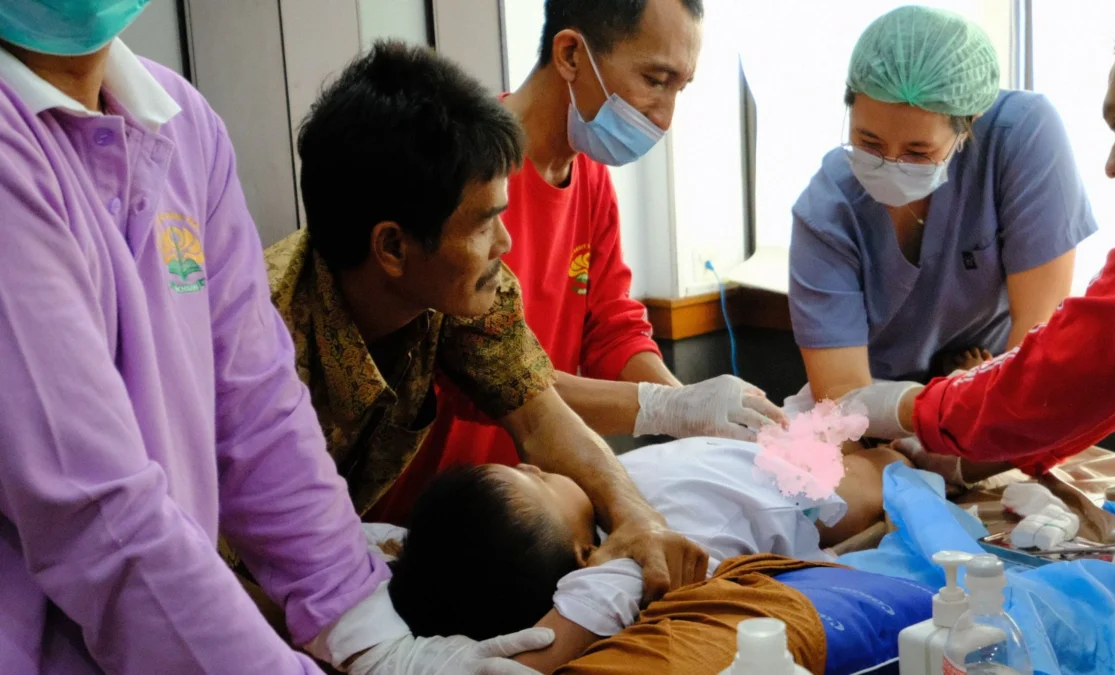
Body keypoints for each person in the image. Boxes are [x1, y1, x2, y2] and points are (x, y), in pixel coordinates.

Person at [0, 4, 553, 674]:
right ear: (391, 245)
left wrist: (375, 641)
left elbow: (258, 412)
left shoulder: (179, 123)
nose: (506, 242)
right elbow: (94, 508)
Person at [265, 41, 706, 604]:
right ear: (393, 247)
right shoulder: (257, 352)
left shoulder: (466, 290)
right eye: (485, 224)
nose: (507, 242)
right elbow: (212, 571)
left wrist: (636, 516)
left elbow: (541, 416)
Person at [376, 0, 786, 520]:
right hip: (436, 515)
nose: (664, 116)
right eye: (655, 80)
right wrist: (668, 408)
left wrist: (700, 412)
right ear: (570, 53)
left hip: (539, 508)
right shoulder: (465, 179)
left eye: (679, 88)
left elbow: (610, 331)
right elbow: (480, 377)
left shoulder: (589, 180)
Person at [841, 0, 1115, 479]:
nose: (1110, 165)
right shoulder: (827, 199)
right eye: (869, 144)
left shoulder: (1025, 131)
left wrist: (913, 408)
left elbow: (1072, 368)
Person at [790, 5, 1097, 420]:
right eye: (869, 141)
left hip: (996, 388)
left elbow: (1036, 339)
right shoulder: (827, 211)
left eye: (919, 152)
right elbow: (843, 395)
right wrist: (948, 402)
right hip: (875, 407)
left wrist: (977, 397)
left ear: (968, 124)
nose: (891, 164)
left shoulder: (1020, 137)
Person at [386, 437, 910, 651]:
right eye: (541, 480)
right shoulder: (638, 566)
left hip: (764, 453)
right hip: (795, 485)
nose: (530, 462)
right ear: (585, 558)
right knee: (896, 466)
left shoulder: (596, 498)